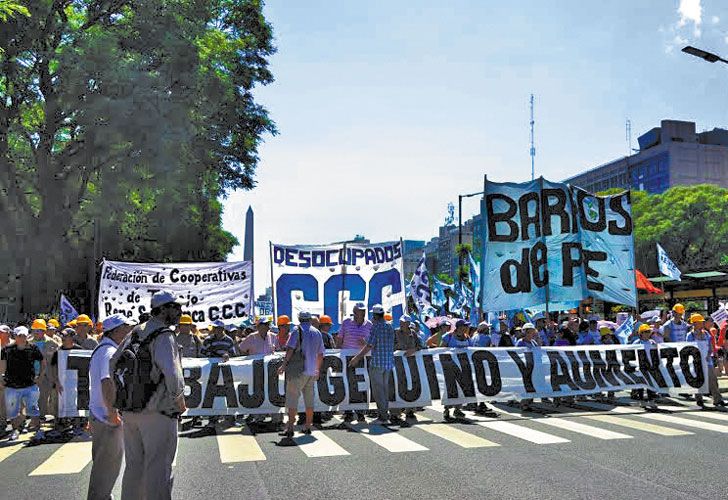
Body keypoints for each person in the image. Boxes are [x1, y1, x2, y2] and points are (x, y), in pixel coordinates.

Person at [112, 290, 187, 500]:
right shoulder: (164, 335)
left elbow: (113, 364)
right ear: (163, 310)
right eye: (176, 307)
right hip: (158, 411)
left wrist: (120, 398)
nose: (180, 311)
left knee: (134, 467)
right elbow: (173, 375)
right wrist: (179, 402)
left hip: (130, 410)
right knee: (158, 469)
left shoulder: (135, 332)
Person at [87, 314, 136, 500]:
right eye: (126, 328)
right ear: (116, 331)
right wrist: (112, 412)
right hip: (107, 419)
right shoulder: (108, 352)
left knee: (106, 468)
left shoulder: (106, 349)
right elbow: (107, 382)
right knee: (105, 471)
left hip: (102, 416)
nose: (129, 331)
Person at [277, 311, 325, 437]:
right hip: (312, 370)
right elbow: (321, 354)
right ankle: (308, 426)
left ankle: (290, 428)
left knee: (292, 399)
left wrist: (283, 365)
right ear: (310, 319)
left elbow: (290, 349)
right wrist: (317, 369)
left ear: (299, 319)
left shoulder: (296, 331)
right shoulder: (317, 332)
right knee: (309, 400)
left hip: (298, 371)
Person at [351, 305, 398, 425]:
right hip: (388, 362)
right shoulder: (389, 326)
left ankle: (383, 417)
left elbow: (369, 346)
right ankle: (384, 414)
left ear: (375, 315)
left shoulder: (376, 327)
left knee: (378, 391)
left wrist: (357, 357)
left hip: (377, 362)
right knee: (384, 390)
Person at [0, 326, 45, 441]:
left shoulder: (33, 348)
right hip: (12, 385)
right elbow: (3, 364)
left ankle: (38, 430)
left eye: (24, 335)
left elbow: (42, 362)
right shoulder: (7, 349)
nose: (22, 338)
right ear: (15, 336)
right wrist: (1, 378)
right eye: (20, 335)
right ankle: (15, 430)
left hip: (30, 385)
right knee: (13, 412)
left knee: (34, 410)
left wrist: (40, 376)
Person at [337, 302, 372, 422]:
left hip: (362, 359)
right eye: (359, 311)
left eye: (363, 311)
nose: (362, 313)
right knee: (347, 384)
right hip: (346, 358)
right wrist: (337, 353)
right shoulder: (346, 322)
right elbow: (339, 339)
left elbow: (372, 343)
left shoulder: (369, 325)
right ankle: (348, 411)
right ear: (354, 311)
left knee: (362, 385)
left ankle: (360, 411)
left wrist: (365, 344)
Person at [687, 314, 726, 409]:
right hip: (696, 361)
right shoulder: (690, 335)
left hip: (707, 360)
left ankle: (717, 399)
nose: (702, 324)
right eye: (700, 322)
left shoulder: (706, 333)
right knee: (698, 380)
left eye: (702, 322)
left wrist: (709, 353)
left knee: (713, 379)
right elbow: (688, 348)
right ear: (695, 324)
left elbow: (710, 346)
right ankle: (699, 399)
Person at [440, 319, 473, 421]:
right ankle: (447, 409)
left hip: (464, 368)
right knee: (450, 388)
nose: (466, 328)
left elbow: (471, 351)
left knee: (462, 388)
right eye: (464, 326)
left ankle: (458, 409)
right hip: (450, 367)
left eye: (466, 326)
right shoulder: (448, 337)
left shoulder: (467, 337)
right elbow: (441, 349)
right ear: (459, 327)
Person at [30, 319, 61, 422]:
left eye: (38, 330)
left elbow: (58, 359)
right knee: (31, 397)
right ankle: (33, 417)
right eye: (34, 330)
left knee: (43, 397)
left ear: (43, 331)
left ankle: (41, 417)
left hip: (46, 375)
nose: (36, 332)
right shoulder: (28, 341)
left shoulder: (52, 343)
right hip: (31, 374)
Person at [632, 324, 658, 408]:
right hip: (640, 366)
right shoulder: (637, 342)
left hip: (650, 366)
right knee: (641, 384)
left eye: (648, 331)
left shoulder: (652, 342)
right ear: (641, 333)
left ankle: (651, 400)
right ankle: (641, 400)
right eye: (645, 332)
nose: (647, 333)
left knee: (650, 384)